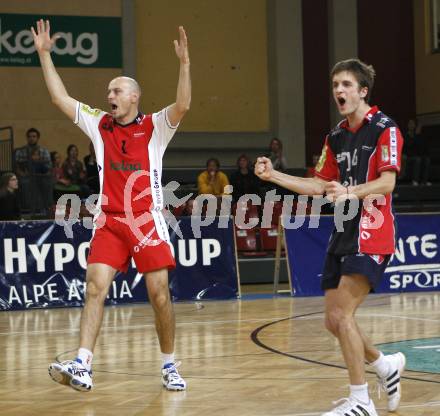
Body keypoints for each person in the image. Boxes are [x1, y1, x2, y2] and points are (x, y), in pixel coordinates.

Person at [32, 19, 191, 392]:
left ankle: (169, 365)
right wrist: (44, 55)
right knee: (94, 287)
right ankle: (83, 363)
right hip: (110, 222)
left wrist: (184, 63)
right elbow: (60, 99)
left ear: (134, 96)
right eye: (108, 91)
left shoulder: (155, 127)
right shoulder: (99, 124)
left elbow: (183, 104)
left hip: (146, 221)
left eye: (116, 90)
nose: (110, 96)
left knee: (159, 294)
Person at [255, 59, 405, 416]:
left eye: (346, 85)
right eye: (335, 84)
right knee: (332, 320)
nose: (339, 90)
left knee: (342, 316)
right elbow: (320, 185)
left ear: (363, 90)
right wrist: (275, 176)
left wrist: (351, 193)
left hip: (371, 228)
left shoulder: (385, 128)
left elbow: (387, 183)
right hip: (344, 230)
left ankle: (361, 401)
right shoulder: (336, 136)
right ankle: (386, 366)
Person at [14, 127, 52, 213]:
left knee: (48, 182)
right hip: (26, 176)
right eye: (30, 136)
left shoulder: (44, 151)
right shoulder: (20, 151)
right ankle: (27, 209)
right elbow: (16, 166)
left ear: (37, 138)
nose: (32, 138)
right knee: (24, 183)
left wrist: (38, 162)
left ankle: (46, 208)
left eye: (34, 136)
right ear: (27, 138)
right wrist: (21, 173)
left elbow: (49, 167)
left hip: (41, 176)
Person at [401, 118, 431, 185]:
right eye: (410, 124)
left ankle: (425, 181)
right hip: (408, 156)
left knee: (426, 159)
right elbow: (409, 145)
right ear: (408, 125)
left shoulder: (418, 135)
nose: (411, 125)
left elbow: (421, 146)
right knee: (417, 159)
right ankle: (415, 180)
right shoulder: (405, 135)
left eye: (413, 124)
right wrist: (416, 136)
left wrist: (417, 136)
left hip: (418, 155)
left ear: (415, 125)